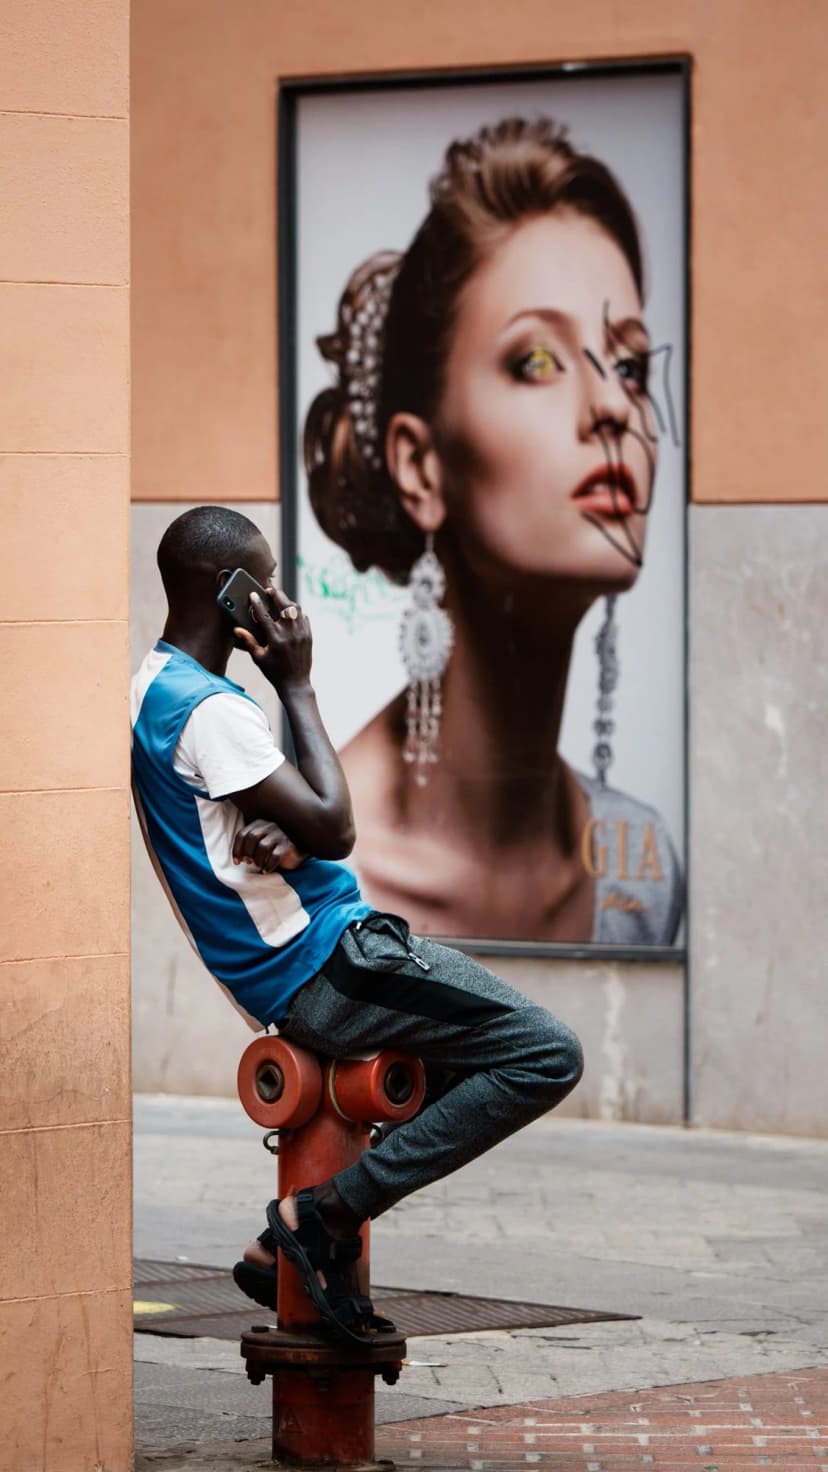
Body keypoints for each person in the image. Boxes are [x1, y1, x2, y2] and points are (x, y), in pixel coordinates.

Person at [131, 504, 584, 1341]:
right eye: (263, 582)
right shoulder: (211, 711)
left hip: (289, 968)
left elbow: (269, 827)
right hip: (331, 961)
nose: (276, 599)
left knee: (453, 1079)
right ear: (227, 590)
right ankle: (318, 1218)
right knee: (545, 1054)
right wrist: (297, 684)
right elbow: (338, 825)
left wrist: (286, 834)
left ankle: (285, 1246)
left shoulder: (154, 689)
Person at [304, 116, 683, 945]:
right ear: (420, 468)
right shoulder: (315, 869)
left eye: (628, 365)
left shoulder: (644, 878)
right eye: (537, 361)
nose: (614, 407)